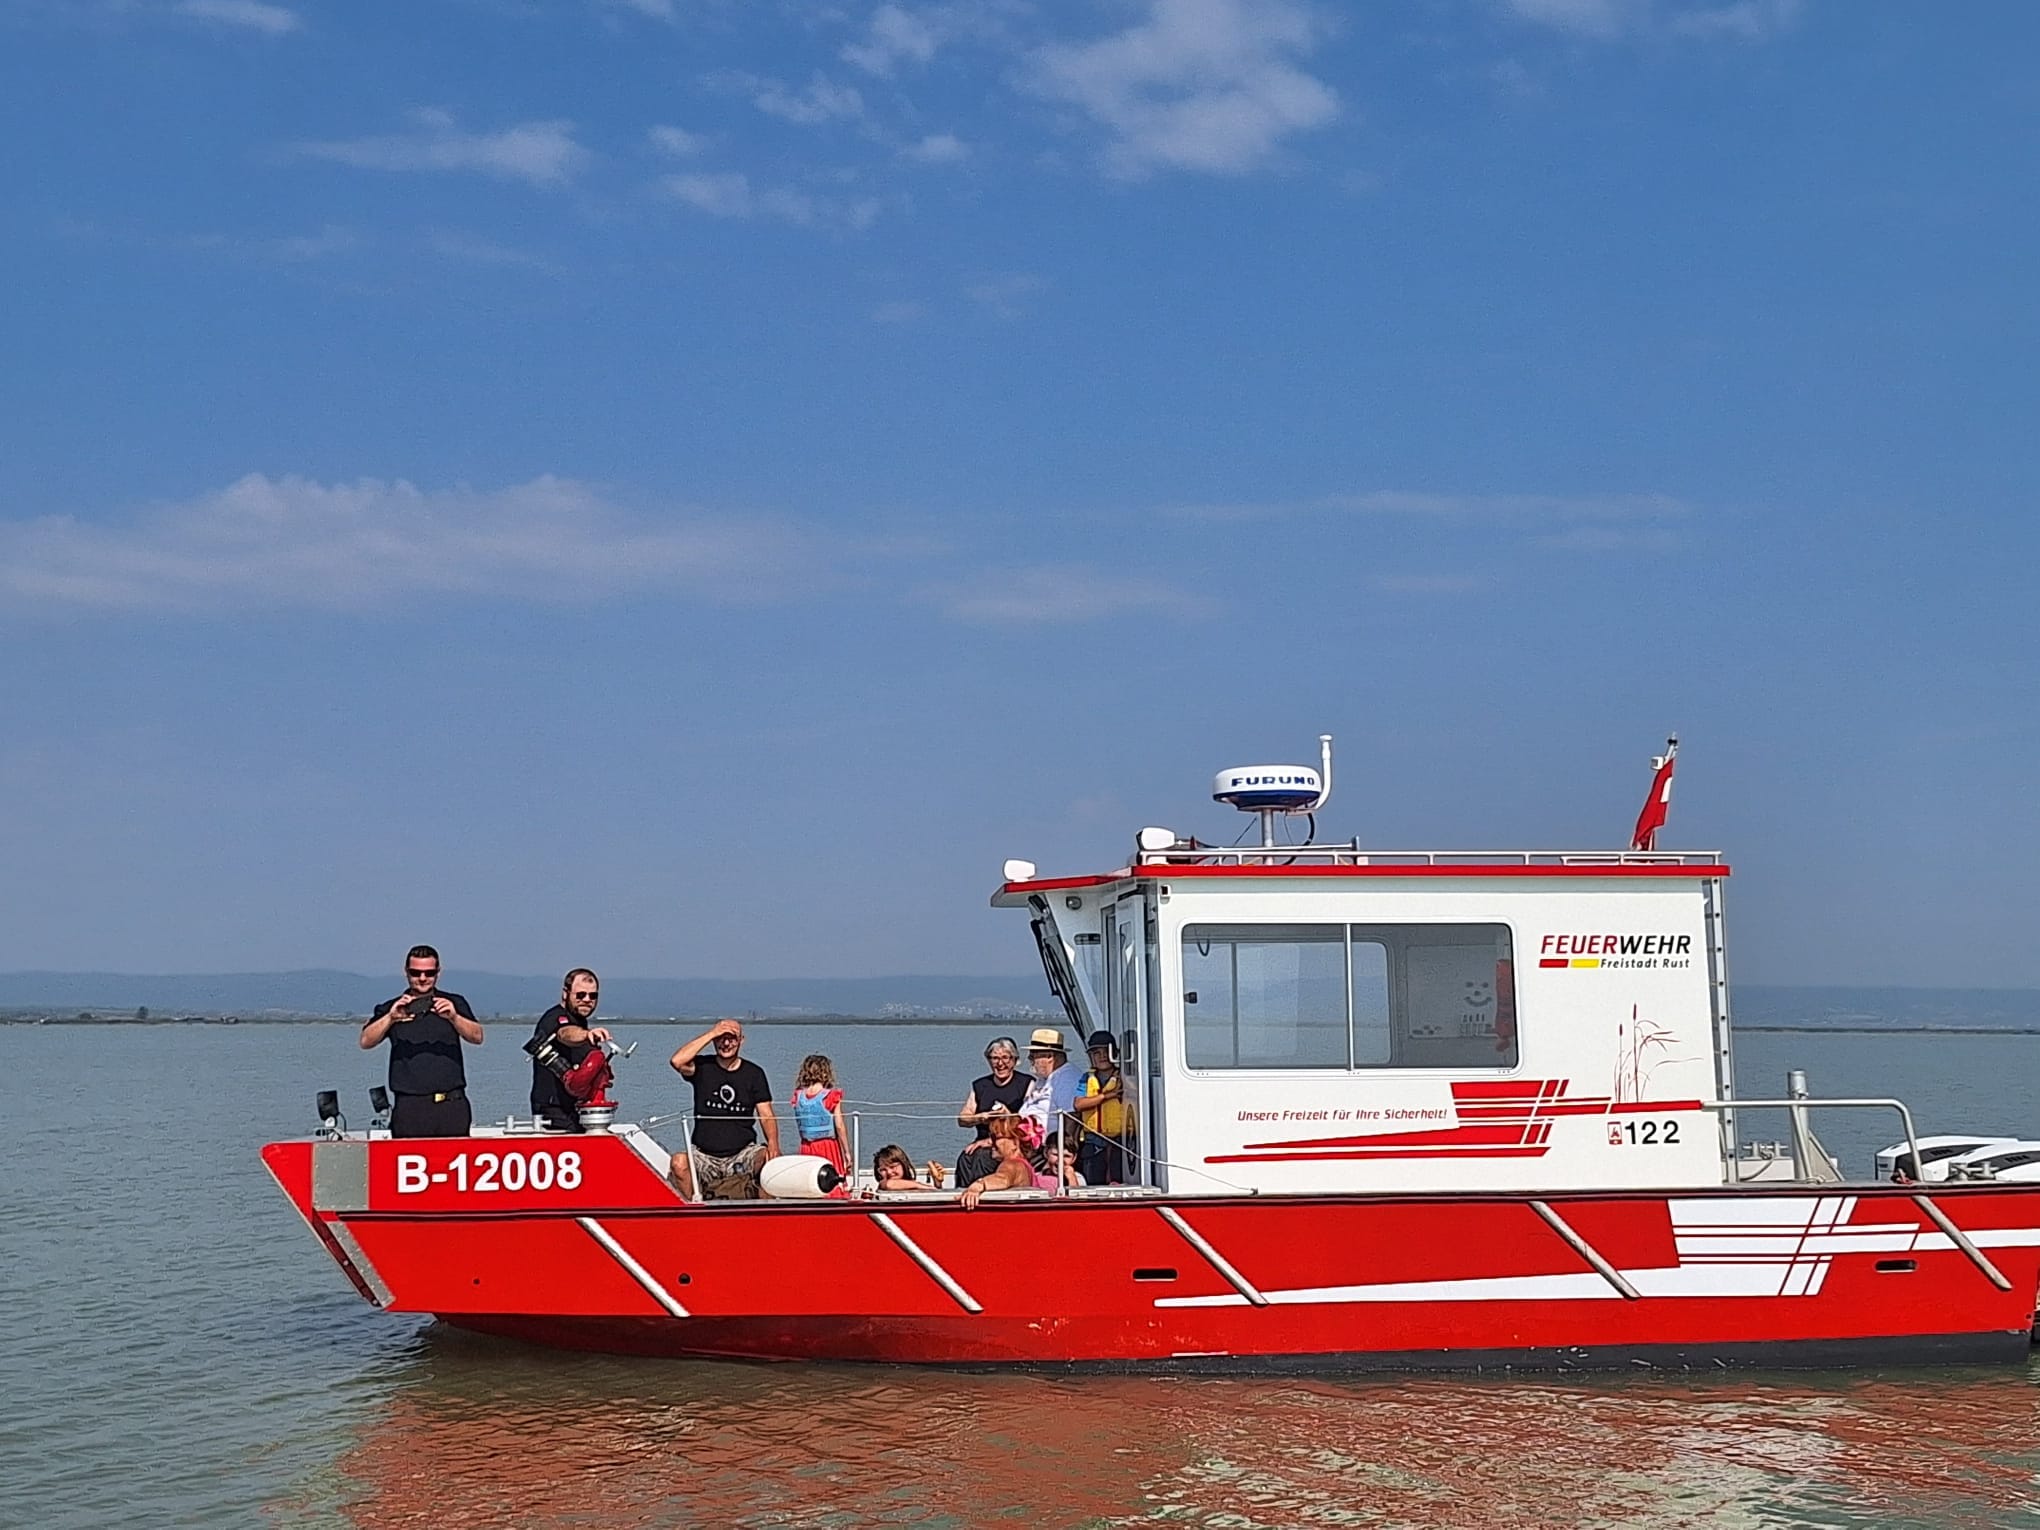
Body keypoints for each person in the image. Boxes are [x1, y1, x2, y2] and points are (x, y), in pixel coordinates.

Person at [359, 945, 483, 1139]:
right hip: (410, 1107)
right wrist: (391, 1018)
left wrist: (454, 1017)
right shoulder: (391, 1007)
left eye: (429, 973)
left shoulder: (454, 1003)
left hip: (451, 1104)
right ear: (406, 972)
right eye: (416, 973)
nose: (423, 978)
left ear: (438, 973)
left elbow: (477, 1037)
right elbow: (366, 1041)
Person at [667, 1019, 779, 1199]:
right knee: (678, 1163)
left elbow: (766, 1115)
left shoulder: (754, 1073)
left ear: (741, 1040)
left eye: (732, 1038)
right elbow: (677, 1061)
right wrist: (712, 1033)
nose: (726, 1044)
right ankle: (696, 1213)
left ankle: (762, 1217)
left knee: (769, 1161)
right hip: (704, 1156)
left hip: (742, 1153)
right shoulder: (702, 1067)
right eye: (721, 1038)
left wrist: (773, 1144)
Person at [528, 968, 612, 1132]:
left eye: (593, 996)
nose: (587, 1000)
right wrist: (587, 1035)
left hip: (575, 1106)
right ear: (565, 994)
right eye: (580, 995)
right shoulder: (555, 1018)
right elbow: (564, 1033)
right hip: (553, 1109)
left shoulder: (580, 1021)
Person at [954, 1035, 1029, 1184]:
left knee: (983, 1158)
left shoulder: (1026, 1083)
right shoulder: (980, 1085)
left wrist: (1007, 1115)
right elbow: (962, 1119)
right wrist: (981, 1117)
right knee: (965, 1158)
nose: (1000, 1063)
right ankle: (962, 1195)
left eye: (1005, 1058)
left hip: (1009, 1143)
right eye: (995, 1058)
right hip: (980, 1141)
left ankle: (982, 1193)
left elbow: (1027, 1122)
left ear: (1014, 1060)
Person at [1072, 1030, 1131, 1185]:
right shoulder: (1087, 1078)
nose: (1103, 1055)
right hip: (1093, 1143)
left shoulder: (1125, 1076)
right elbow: (1078, 1104)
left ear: (1115, 1053)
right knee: (1093, 1184)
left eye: (1107, 1051)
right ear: (1091, 1057)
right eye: (1097, 1052)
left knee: (1118, 1182)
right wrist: (1106, 1096)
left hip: (1121, 1142)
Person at [790, 1053, 850, 1196]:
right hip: (827, 1145)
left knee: (810, 1183)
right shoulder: (830, 1095)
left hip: (806, 1146)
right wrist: (847, 1151)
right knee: (831, 1182)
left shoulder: (798, 1096)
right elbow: (840, 1125)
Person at [1019, 1027, 1082, 1145]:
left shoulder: (1067, 1079)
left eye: (1033, 1055)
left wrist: (1062, 1152)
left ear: (1049, 1057)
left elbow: (1071, 1118)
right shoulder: (1045, 1078)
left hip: (1048, 1150)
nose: (1029, 1059)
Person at [958, 1114, 1034, 1210]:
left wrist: (977, 1186)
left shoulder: (1013, 1164)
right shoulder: (1024, 1165)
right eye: (991, 1137)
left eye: (996, 1138)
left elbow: (1003, 1179)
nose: (991, 1142)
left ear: (1015, 1143)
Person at [870, 1144, 948, 1193]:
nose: (889, 1172)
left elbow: (933, 1197)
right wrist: (923, 1186)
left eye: (893, 1167)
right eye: (883, 1170)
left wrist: (937, 1183)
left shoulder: (913, 1185)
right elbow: (889, 1184)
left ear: (903, 1164)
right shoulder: (883, 1185)